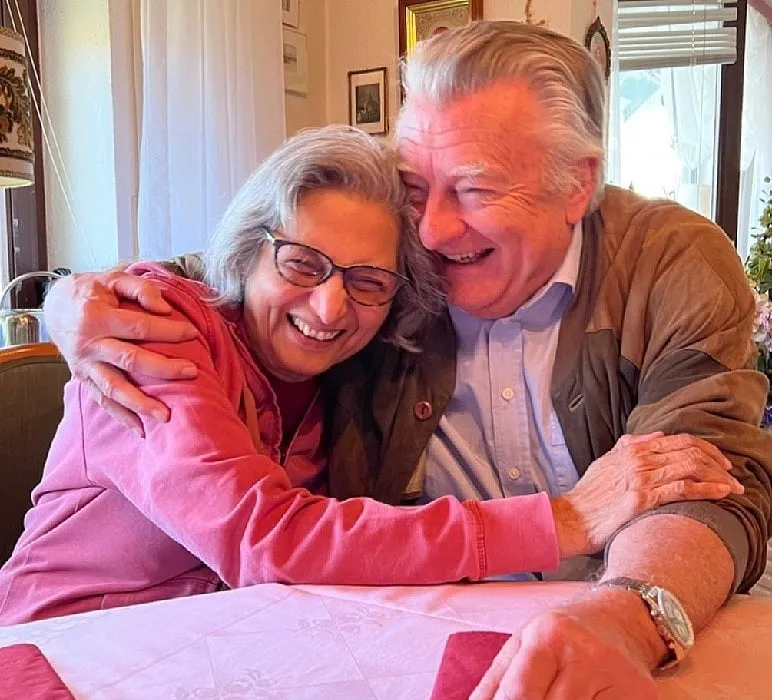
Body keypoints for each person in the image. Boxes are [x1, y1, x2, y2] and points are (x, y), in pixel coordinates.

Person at [39, 21, 771, 700]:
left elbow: (703, 476)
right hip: (175, 654)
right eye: (416, 188)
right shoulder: (355, 272)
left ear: (576, 183)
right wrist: (70, 297)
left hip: (582, 621)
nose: (429, 226)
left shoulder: (664, 262)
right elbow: (245, 263)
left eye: (475, 188)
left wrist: (627, 615)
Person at [1, 124, 734, 628]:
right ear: (250, 249)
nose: (329, 306)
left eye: (368, 281)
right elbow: (269, 541)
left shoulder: (342, 375)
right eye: (302, 263)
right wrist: (566, 517)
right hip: (63, 661)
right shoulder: (155, 335)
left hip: (210, 656)